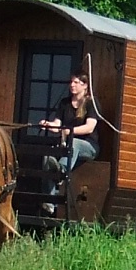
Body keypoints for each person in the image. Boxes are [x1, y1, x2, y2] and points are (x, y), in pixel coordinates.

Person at [38, 71, 100, 212]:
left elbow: (89, 127)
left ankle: (62, 169)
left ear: (85, 85)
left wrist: (69, 131)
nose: (72, 85)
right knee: (48, 157)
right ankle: (49, 202)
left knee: (75, 142)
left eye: (76, 82)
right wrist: (48, 124)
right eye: (71, 82)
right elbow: (57, 125)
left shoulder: (91, 102)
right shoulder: (65, 103)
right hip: (68, 146)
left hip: (89, 146)